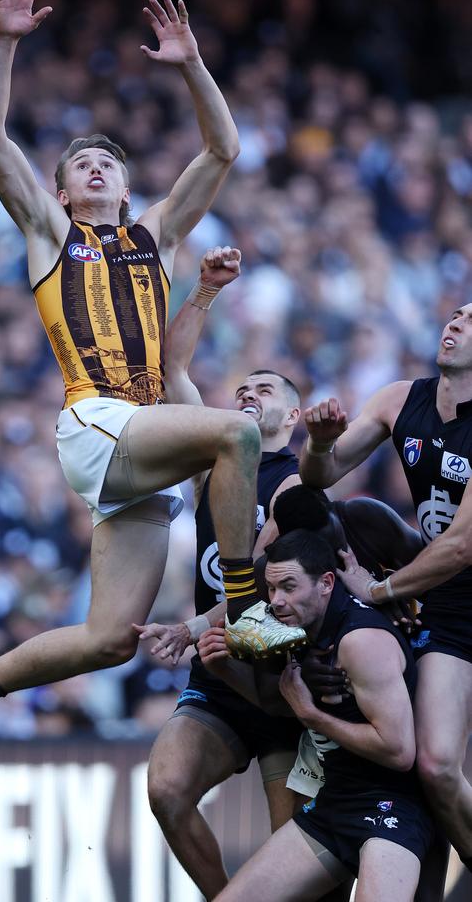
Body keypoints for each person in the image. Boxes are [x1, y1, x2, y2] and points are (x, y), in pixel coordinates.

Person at [0, 0, 304, 785]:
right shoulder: (51, 233)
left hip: (139, 448)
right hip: (99, 421)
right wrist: (3, 43)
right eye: (81, 163)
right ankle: (247, 609)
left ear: (126, 188)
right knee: (236, 429)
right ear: (58, 190)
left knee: (109, 639)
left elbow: (222, 149)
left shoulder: (154, 234)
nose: (95, 169)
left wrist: (193, 64)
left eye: (107, 165)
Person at [136, 249, 305, 898]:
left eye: (264, 391)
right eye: (242, 389)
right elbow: (173, 369)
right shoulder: (213, 466)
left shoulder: (298, 487)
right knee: (166, 790)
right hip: (222, 675)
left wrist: (191, 623)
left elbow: (265, 581)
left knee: (298, 859)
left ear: (291, 418)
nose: (246, 395)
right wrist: (204, 290)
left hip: (285, 680)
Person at [299, 302, 472, 872]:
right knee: (435, 769)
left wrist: (379, 592)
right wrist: (321, 443)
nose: (455, 323)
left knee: (438, 767)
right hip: (449, 601)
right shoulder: (400, 399)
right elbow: (320, 478)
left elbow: (461, 546)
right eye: (455, 314)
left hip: (448, 585)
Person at [199, 530, 434, 902]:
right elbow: (278, 698)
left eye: (289, 587)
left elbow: (400, 751)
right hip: (334, 804)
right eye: (272, 589)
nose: (277, 601)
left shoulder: (361, 641)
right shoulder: (299, 624)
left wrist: (311, 714)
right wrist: (225, 668)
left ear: (326, 583)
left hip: (392, 808)